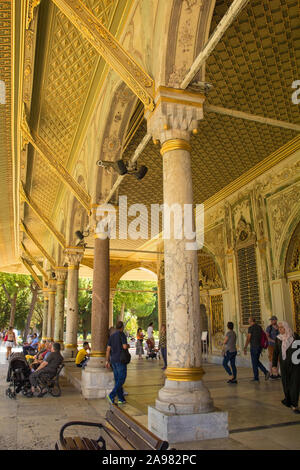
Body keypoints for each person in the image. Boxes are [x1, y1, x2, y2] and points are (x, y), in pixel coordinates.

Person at [272, 321, 300, 414]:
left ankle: (294, 404)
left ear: (286, 327)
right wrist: (274, 365)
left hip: (295, 365)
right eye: (279, 328)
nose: (280, 330)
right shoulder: (278, 339)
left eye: (282, 328)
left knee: (295, 384)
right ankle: (288, 400)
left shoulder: (295, 336)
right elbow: (275, 353)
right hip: (284, 366)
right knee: (286, 384)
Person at [106, 321, 129, 405]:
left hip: (113, 361)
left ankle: (121, 399)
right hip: (120, 360)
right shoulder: (121, 334)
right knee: (122, 378)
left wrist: (107, 361)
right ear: (122, 327)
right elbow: (124, 346)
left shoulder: (112, 336)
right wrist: (128, 345)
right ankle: (111, 395)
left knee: (117, 379)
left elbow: (108, 350)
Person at [244, 316, 270, 382]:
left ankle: (263, 373)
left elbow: (248, 338)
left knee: (254, 362)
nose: (248, 322)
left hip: (254, 347)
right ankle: (259, 376)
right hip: (259, 347)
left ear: (251, 321)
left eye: (249, 320)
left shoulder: (251, 328)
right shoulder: (259, 327)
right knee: (256, 361)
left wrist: (245, 347)